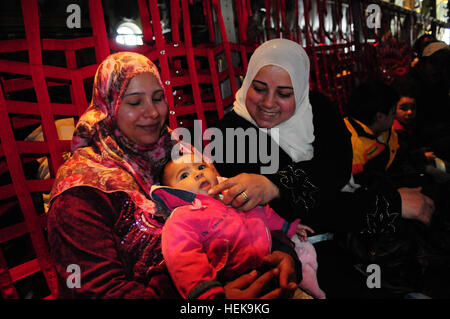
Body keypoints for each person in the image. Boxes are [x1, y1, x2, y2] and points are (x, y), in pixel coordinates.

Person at [46, 52, 297, 299]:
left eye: (158, 98)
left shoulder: (180, 153)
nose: (153, 113)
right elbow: (95, 291)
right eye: (134, 102)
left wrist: (279, 251)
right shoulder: (82, 189)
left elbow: (234, 213)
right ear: (108, 107)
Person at [205, 38, 435, 298]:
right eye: (258, 88)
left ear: (301, 89)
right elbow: (306, 213)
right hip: (297, 256)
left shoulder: (317, 109)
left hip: (348, 236)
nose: (268, 103)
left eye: (284, 93)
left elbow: (335, 169)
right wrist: (388, 206)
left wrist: (276, 184)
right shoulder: (230, 134)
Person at [155, 152, 325, 299]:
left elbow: (264, 213)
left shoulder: (234, 194)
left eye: (200, 167)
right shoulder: (183, 219)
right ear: (172, 191)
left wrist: (289, 227)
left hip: (271, 272)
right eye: (184, 175)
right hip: (231, 283)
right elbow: (184, 258)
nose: (198, 174)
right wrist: (206, 293)